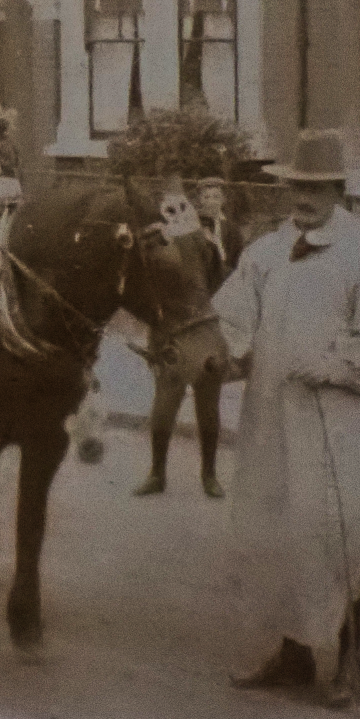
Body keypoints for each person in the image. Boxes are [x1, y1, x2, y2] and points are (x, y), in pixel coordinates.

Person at [215, 130, 360, 711]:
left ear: (337, 189)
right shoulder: (267, 250)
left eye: (317, 187)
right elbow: (232, 315)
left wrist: (328, 365)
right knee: (280, 529)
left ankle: (350, 655)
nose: (303, 197)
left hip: (338, 420)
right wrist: (215, 349)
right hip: (274, 415)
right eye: (296, 186)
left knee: (340, 529)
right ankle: (296, 653)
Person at [134, 184, 229, 499]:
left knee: (208, 406)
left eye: (180, 208)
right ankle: (157, 473)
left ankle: (209, 475)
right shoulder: (154, 248)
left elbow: (221, 279)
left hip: (204, 329)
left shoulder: (206, 243)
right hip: (170, 333)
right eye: (168, 208)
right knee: (164, 404)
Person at [194, 177, 245, 282]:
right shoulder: (193, 226)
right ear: (199, 200)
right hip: (201, 278)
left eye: (216, 197)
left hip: (226, 277)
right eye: (206, 197)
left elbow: (238, 259)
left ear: (223, 200)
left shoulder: (232, 229)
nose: (211, 202)